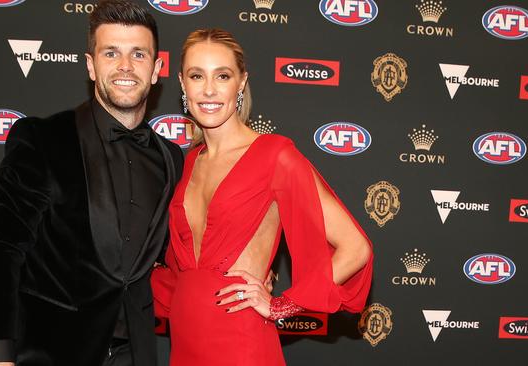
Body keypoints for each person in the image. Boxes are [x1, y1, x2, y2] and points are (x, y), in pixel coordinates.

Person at [0, 1, 183, 365]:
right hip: (51, 353)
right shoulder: (42, 138)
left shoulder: (171, 157)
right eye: (111, 52)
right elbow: (2, 247)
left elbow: (175, 252)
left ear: (156, 70)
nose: (125, 67)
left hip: (138, 354)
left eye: (138, 54)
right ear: (90, 65)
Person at [151, 29, 374, 365]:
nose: (209, 89)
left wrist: (280, 305)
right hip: (185, 343)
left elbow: (356, 248)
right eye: (197, 76)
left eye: (222, 76)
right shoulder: (187, 163)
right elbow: (178, 273)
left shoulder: (274, 156)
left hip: (240, 341)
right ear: (182, 83)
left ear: (241, 83)